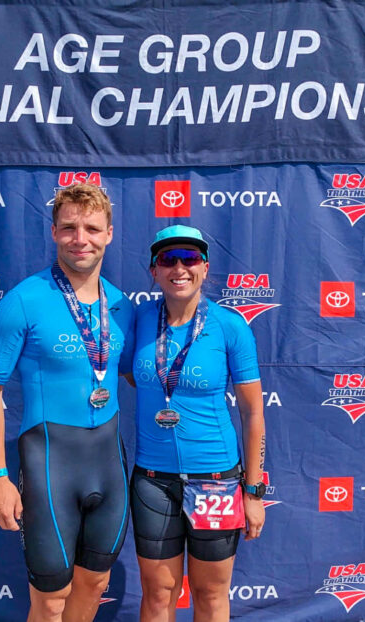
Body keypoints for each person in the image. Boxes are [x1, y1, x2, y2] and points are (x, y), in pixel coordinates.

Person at [0, 183, 134, 622]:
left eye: (91, 228)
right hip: (50, 463)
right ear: (54, 232)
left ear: (109, 234)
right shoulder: (24, 300)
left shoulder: (120, 306)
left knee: (94, 584)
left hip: (108, 461)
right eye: (69, 228)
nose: (80, 238)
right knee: (50, 598)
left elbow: (144, 375)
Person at [130, 224, 268, 622]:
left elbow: (253, 412)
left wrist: (254, 491)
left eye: (190, 258)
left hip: (216, 480)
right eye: (168, 259)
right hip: (153, 481)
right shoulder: (138, 319)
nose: (179, 268)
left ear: (205, 268)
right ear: (154, 270)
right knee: (159, 594)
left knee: (209, 593)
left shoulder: (229, 326)